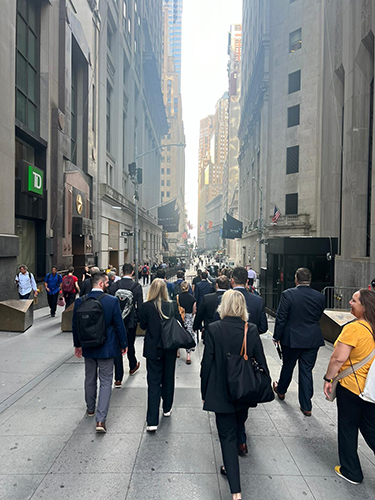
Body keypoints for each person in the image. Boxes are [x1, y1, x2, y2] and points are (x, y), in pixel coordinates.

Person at [201, 290, 270, 500]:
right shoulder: (252, 329)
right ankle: (231, 470)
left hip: (221, 391)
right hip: (244, 390)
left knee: (226, 436)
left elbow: (207, 364)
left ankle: (236, 491)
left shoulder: (214, 329)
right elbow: (262, 362)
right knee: (239, 425)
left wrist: (205, 391)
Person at [323, 289, 375, 485]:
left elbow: (338, 358)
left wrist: (328, 379)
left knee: (348, 427)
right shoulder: (373, 326)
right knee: (370, 429)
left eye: (354, 301)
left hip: (351, 387)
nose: (350, 303)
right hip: (371, 389)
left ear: (364, 306)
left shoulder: (354, 328)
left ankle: (351, 471)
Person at [72, 272, 128, 433]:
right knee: (105, 381)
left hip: (88, 347)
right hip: (107, 346)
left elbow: (76, 326)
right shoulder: (111, 301)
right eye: (107, 283)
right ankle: (100, 420)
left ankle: (90, 409)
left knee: (89, 378)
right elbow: (119, 325)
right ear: (102, 284)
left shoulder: (80, 302)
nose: (109, 285)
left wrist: (78, 345)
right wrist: (123, 344)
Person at [273, 267, 326, 416]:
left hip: (292, 339)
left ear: (296, 279)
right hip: (312, 339)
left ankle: (281, 390)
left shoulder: (288, 295)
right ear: (310, 279)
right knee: (306, 371)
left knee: (288, 366)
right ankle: (306, 405)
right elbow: (318, 315)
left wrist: (276, 336)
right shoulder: (320, 297)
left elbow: (281, 317)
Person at [140, 278, 181, 432]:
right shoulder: (171, 305)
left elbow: (143, 325)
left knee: (154, 382)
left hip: (152, 348)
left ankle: (152, 421)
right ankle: (167, 407)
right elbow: (178, 323)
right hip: (169, 347)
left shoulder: (146, 306)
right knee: (168, 378)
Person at [109, 263, 143, 386]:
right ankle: (132, 365)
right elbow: (140, 305)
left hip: (116, 321)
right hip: (130, 322)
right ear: (132, 272)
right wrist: (138, 319)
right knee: (130, 344)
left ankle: (118, 378)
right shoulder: (137, 286)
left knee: (117, 347)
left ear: (122, 272)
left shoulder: (114, 286)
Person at [177, 281, 196, 364]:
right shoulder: (192, 298)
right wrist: (190, 315)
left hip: (180, 317)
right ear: (188, 288)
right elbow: (194, 310)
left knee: (179, 333)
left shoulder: (177, 297)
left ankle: (177, 351)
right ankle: (188, 356)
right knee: (189, 334)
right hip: (188, 316)